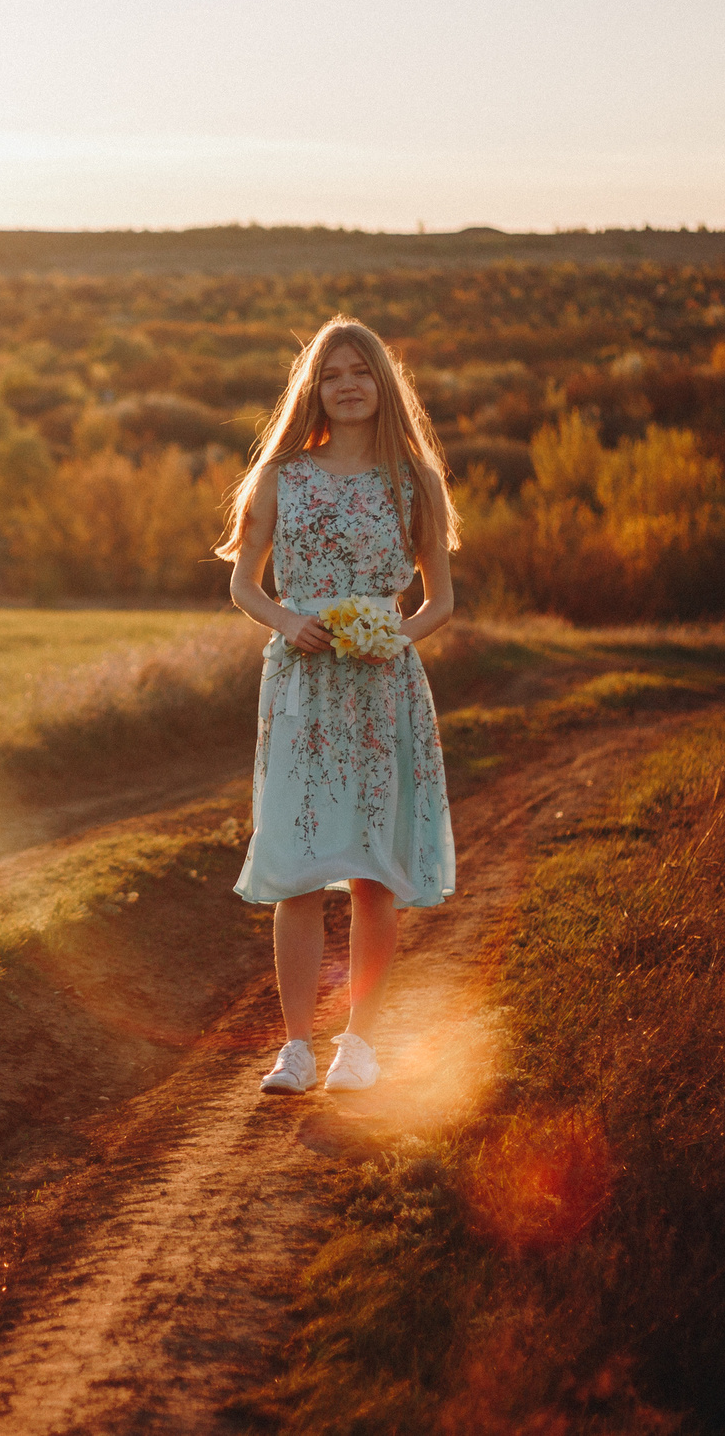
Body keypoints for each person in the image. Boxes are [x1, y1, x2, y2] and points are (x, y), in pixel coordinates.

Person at [217, 315, 459, 1095]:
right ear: (314, 390)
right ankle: (295, 1046)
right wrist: (290, 621)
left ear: (383, 382)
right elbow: (244, 583)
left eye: (361, 371)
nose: (347, 384)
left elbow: (439, 600)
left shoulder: (414, 479)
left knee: (373, 872)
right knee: (295, 866)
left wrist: (397, 634)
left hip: (384, 686)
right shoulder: (283, 474)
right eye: (332, 374)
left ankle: (360, 1043)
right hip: (303, 682)